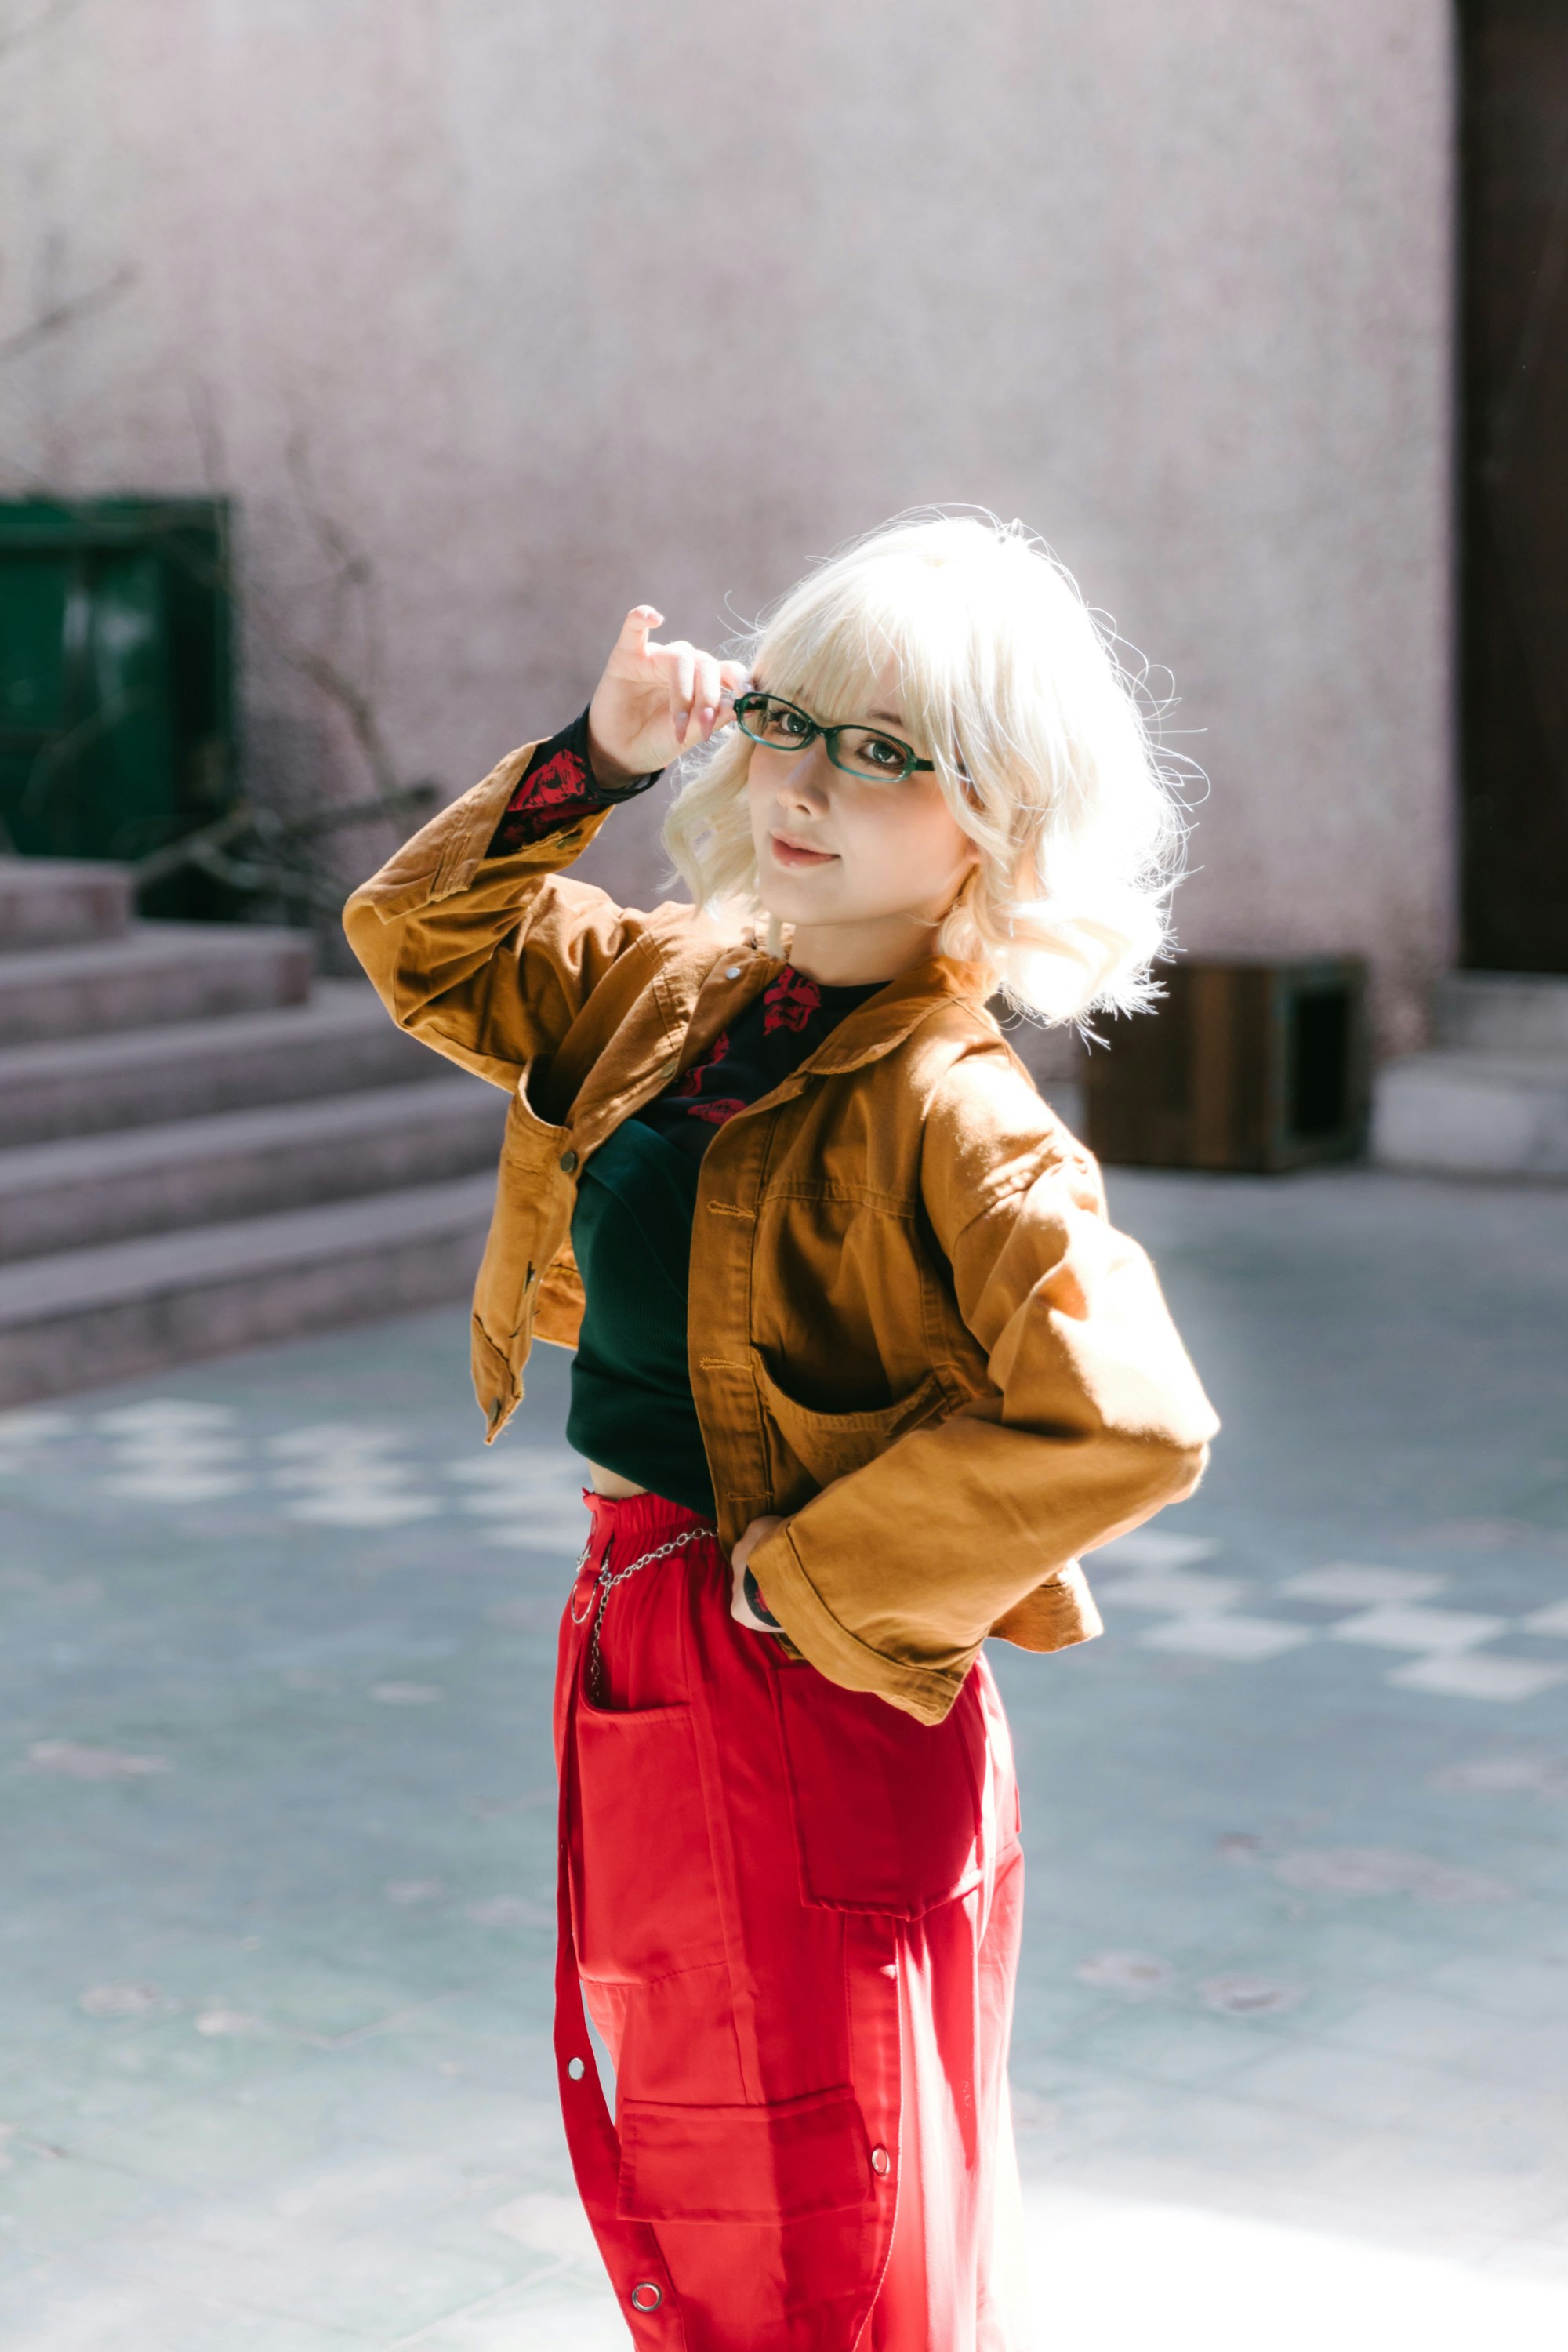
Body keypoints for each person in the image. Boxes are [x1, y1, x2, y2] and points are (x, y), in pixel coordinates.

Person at [345, 512, 1218, 2350]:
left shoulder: (947, 1098)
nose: (805, 782)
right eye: (791, 722)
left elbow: (1129, 1412)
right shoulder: (681, 987)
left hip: (798, 1681)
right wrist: (595, 758)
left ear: (994, 814)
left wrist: (808, 1592)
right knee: (691, 2158)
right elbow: (419, 935)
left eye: (883, 754)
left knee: (817, 2201)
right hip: (656, 1630)